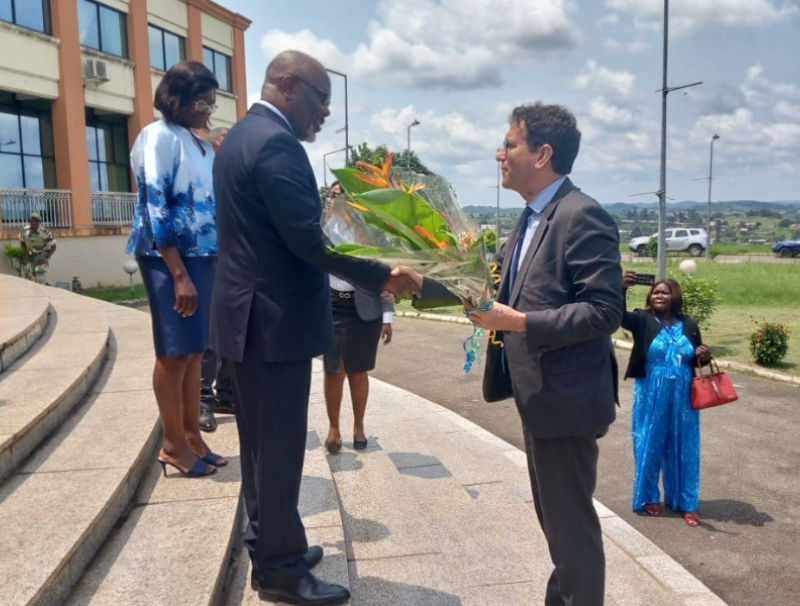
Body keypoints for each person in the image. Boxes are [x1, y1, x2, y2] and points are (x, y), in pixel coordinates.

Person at [210, 50, 415, 606]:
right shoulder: (275, 143)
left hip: (247, 320)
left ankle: (275, 543)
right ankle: (279, 572)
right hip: (271, 326)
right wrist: (385, 275)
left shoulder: (239, 139)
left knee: (260, 448)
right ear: (289, 86)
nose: (327, 111)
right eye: (322, 98)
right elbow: (309, 239)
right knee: (276, 454)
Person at [404, 102, 623, 606]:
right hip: (540, 396)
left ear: (542, 154)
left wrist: (520, 323)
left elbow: (603, 310)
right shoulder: (531, 218)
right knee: (557, 522)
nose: (498, 153)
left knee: (572, 529)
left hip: (566, 400)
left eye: (510, 144)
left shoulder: (579, 214)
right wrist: (419, 282)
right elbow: (488, 283)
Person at [126, 61, 226, 478]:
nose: (207, 110)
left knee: (192, 352)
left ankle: (191, 437)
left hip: (203, 257)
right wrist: (178, 272)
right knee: (173, 353)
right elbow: (155, 205)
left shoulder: (198, 142)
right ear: (177, 99)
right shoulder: (157, 136)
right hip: (168, 259)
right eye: (201, 102)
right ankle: (171, 443)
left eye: (211, 103)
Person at [621, 271, 711, 527]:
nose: (659, 295)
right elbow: (618, 317)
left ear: (675, 296)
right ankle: (649, 495)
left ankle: (686, 501)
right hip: (650, 389)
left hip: (683, 394)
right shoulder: (642, 319)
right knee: (649, 441)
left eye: (665, 291)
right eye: (656, 291)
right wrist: (622, 289)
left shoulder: (690, 324)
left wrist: (704, 355)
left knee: (684, 445)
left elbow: (696, 359)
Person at [322, 182, 394, 453]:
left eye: (341, 195)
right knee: (334, 368)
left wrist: (388, 316)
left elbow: (385, 274)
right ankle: (333, 428)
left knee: (358, 370)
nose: (335, 199)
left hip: (363, 307)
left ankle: (359, 426)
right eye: (331, 195)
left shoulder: (369, 232)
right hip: (330, 306)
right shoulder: (321, 229)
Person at [199, 125, 233, 433]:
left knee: (232, 334)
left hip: (234, 266)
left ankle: (225, 395)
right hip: (208, 263)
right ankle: (203, 402)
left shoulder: (234, 178)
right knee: (210, 340)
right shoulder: (203, 179)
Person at [19, 212, 56, 283]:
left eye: (35, 221)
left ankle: (42, 289)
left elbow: (53, 247)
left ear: (39, 222)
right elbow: (22, 242)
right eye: (31, 221)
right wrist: (27, 254)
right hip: (32, 253)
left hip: (43, 253)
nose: (33, 223)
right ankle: (37, 290)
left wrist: (45, 258)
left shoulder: (44, 232)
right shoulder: (24, 230)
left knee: (39, 272)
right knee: (32, 276)